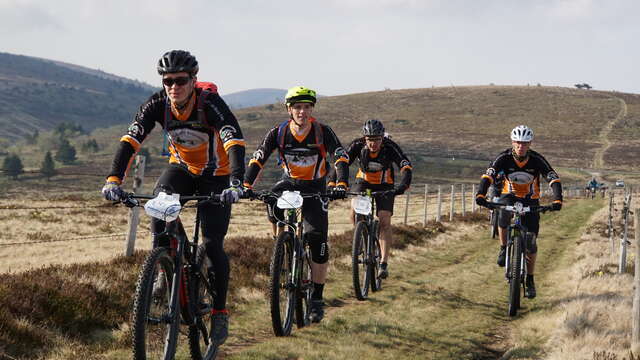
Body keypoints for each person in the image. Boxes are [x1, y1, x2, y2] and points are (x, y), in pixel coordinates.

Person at [101, 50, 245, 345]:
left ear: (193, 80)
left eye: (180, 80)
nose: (174, 87)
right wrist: (114, 179)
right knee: (158, 206)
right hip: (181, 168)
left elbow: (234, 139)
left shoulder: (210, 104)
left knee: (213, 242)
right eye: (168, 81)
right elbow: (130, 141)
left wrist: (236, 182)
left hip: (217, 175)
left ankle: (219, 311)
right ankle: (164, 266)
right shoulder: (157, 104)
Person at [243, 86, 349, 323]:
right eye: (297, 107)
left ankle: (317, 299)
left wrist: (340, 182)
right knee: (271, 202)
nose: (302, 112)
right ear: (289, 109)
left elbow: (340, 156)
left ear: (311, 109)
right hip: (289, 182)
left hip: (315, 186)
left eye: (306, 107)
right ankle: (283, 247)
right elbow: (258, 158)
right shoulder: (278, 132)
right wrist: (246, 185)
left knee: (317, 239)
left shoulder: (322, 132)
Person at [475, 125, 562, 299]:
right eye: (517, 143)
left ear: (529, 143)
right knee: (502, 212)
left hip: (530, 200)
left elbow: (553, 178)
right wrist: (481, 194)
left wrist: (557, 199)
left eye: (524, 143)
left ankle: (530, 280)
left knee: (531, 242)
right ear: (512, 142)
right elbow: (488, 176)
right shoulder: (504, 157)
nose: (520, 146)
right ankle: (502, 247)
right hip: (510, 196)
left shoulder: (537, 159)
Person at [328, 119, 412, 279]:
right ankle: (363, 237)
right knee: (354, 213)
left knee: (384, 220)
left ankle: (383, 264)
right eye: (370, 139)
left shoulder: (390, 146)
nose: (373, 143)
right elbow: (342, 163)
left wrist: (402, 187)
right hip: (364, 183)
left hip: (385, 184)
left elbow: (405, 167)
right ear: (364, 138)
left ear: (382, 137)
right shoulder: (357, 145)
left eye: (377, 139)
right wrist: (333, 183)